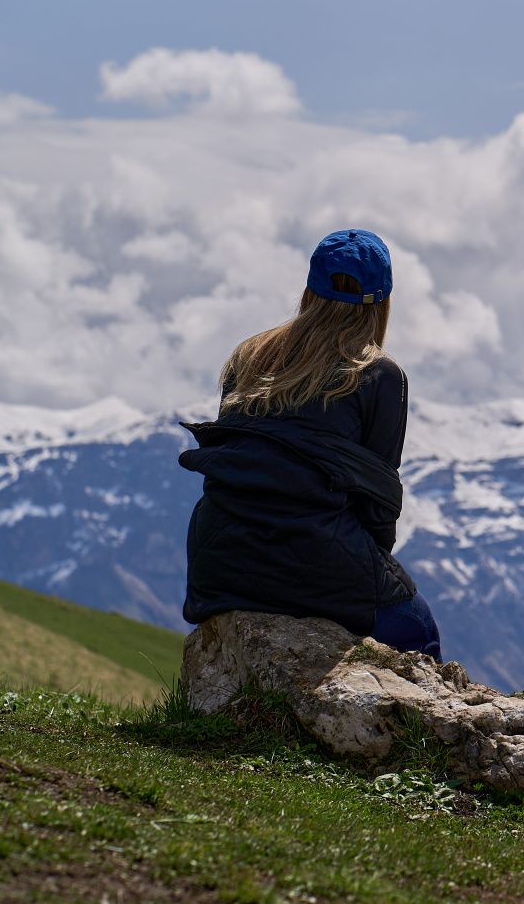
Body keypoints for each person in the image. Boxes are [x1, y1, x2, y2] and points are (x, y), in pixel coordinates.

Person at [178, 228, 441, 661]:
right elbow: (377, 499)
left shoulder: (248, 357)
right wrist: (371, 571)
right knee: (416, 630)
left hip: (218, 560)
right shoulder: (378, 375)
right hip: (316, 555)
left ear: (309, 288)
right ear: (383, 301)